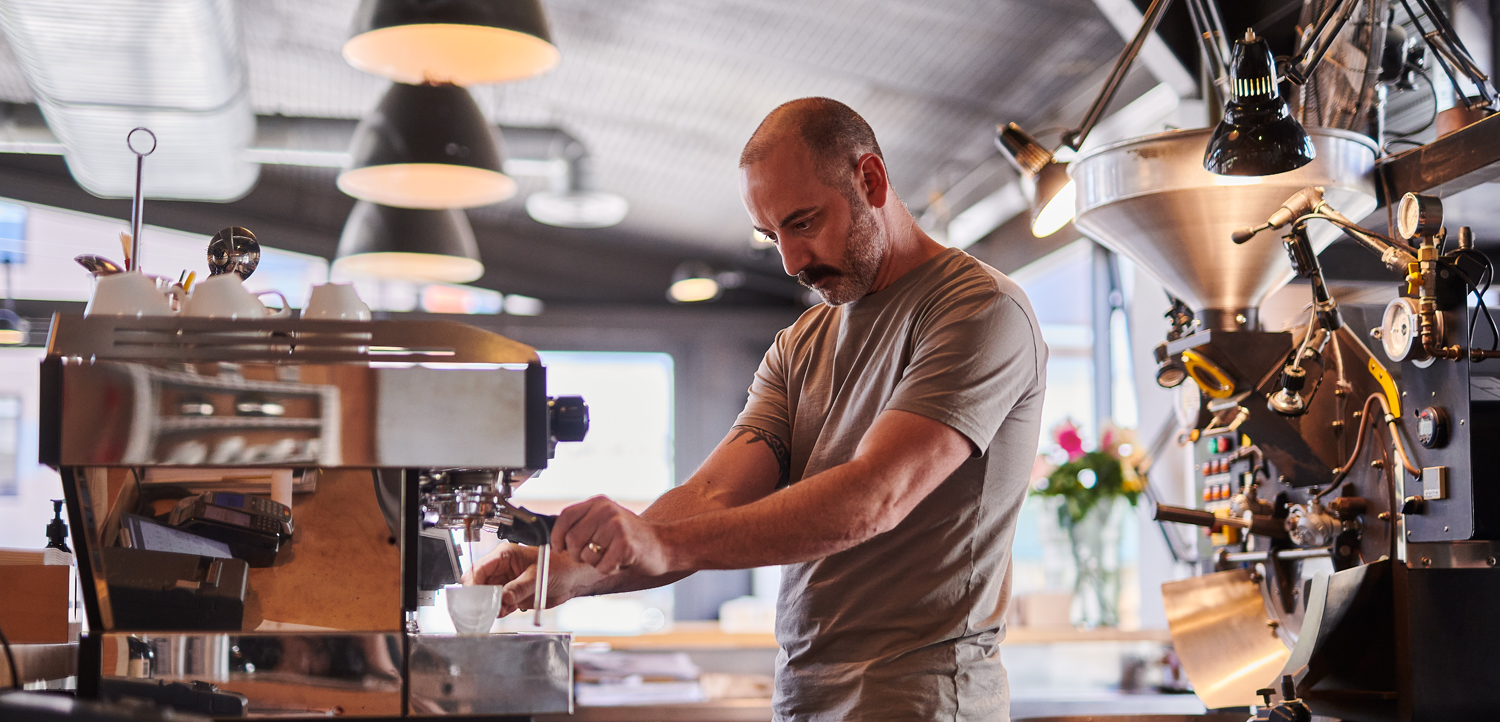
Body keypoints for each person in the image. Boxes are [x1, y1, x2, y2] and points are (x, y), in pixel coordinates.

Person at [472, 97, 1048, 721]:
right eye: (772, 236)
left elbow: (875, 496)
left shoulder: (977, 309)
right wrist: (577, 571)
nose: (792, 262)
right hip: (803, 697)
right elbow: (711, 498)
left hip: (922, 701)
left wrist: (661, 543)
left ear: (871, 180)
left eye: (803, 223)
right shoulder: (801, 343)